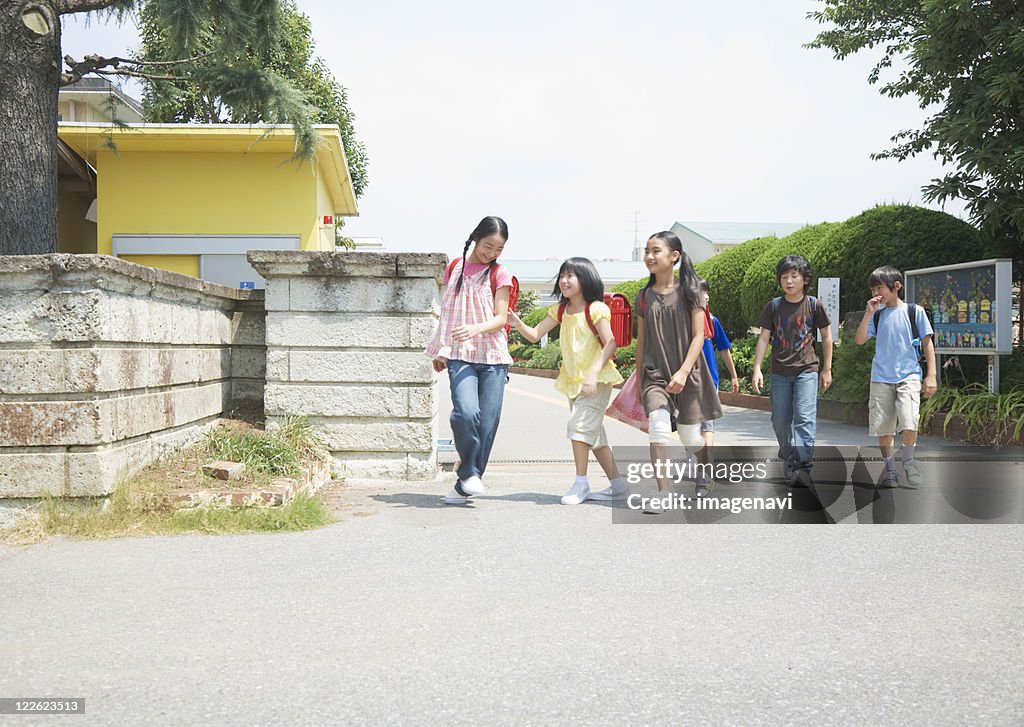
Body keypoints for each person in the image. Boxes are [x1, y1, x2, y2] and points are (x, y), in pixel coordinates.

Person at [508, 257, 628, 504]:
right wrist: (518, 322)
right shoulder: (560, 310)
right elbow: (534, 335)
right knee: (593, 436)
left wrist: (593, 373)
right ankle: (618, 484)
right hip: (574, 381)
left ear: (585, 278)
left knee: (578, 427)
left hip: (597, 380)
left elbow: (611, 343)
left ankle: (581, 484)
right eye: (562, 276)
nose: (564, 281)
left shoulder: (595, 309)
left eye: (570, 276)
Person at [425, 216, 513, 505]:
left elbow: (501, 318)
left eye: (498, 249)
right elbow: (448, 311)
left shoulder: (500, 273)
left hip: (493, 357)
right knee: (465, 413)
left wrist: (475, 328)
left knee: (487, 424)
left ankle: (467, 481)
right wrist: (441, 349)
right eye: (488, 246)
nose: (491, 254)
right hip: (460, 356)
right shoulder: (454, 267)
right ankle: (469, 474)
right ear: (476, 237)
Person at [635, 232, 723, 512]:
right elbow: (642, 342)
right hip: (655, 376)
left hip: (689, 375)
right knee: (658, 430)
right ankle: (664, 493)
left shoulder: (691, 291)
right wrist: (640, 381)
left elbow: (699, 336)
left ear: (674, 256)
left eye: (656, 251)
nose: (649, 256)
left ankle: (704, 470)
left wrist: (684, 372)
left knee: (691, 438)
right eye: (647, 251)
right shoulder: (643, 297)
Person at [751, 255, 833, 487]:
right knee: (780, 420)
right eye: (784, 276)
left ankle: (803, 465)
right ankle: (788, 453)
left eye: (794, 276)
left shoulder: (814, 305)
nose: (788, 281)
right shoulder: (774, 306)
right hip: (779, 373)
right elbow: (764, 338)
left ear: (805, 279)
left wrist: (826, 369)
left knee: (804, 418)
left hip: (807, 370)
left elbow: (826, 337)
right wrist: (757, 367)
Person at [854, 265, 936, 487]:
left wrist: (931, 375)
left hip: (909, 375)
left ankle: (909, 462)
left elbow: (928, 344)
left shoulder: (914, 311)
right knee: (884, 426)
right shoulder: (877, 314)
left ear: (896, 286)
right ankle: (890, 469)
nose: (875, 293)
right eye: (873, 289)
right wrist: (868, 312)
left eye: (879, 287)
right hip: (880, 377)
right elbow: (860, 340)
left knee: (910, 420)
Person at [694, 278, 740, 495]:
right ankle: (698, 459)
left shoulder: (712, 320)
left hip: (709, 381)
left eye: (703, 292)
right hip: (687, 382)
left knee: (706, 427)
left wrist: (733, 376)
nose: (700, 296)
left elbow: (724, 349)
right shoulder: (683, 321)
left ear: (708, 296)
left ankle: (703, 472)